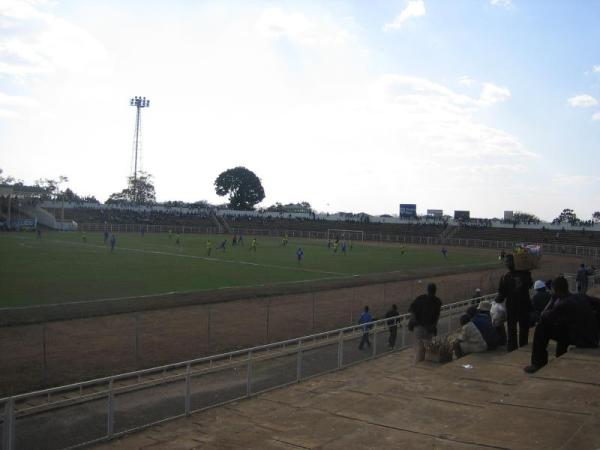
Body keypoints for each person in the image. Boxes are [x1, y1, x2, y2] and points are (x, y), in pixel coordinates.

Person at [524, 276, 600, 373]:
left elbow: (543, 317)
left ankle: (537, 363)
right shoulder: (580, 296)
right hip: (593, 337)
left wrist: (552, 299)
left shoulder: (563, 304)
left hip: (583, 340)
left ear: (556, 291)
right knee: (563, 325)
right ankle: (560, 354)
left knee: (541, 329)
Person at [496, 254, 533, 352]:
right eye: (507, 261)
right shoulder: (525, 274)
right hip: (524, 305)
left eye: (508, 261)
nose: (507, 263)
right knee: (523, 328)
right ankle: (523, 346)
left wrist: (497, 301)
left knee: (512, 329)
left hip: (512, 306)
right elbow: (530, 285)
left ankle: (512, 348)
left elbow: (501, 294)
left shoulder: (505, 277)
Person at [408, 283, 442, 362]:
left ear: (427, 290)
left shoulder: (420, 298)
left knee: (420, 348)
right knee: (426, 348)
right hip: (429, 329)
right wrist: (433, 327)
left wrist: (411, 323)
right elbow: (436, 317)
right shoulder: (437, 302)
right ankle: (421, 366)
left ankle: (418, 367)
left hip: (419, 327)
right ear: (435, 291)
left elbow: (412, 311)